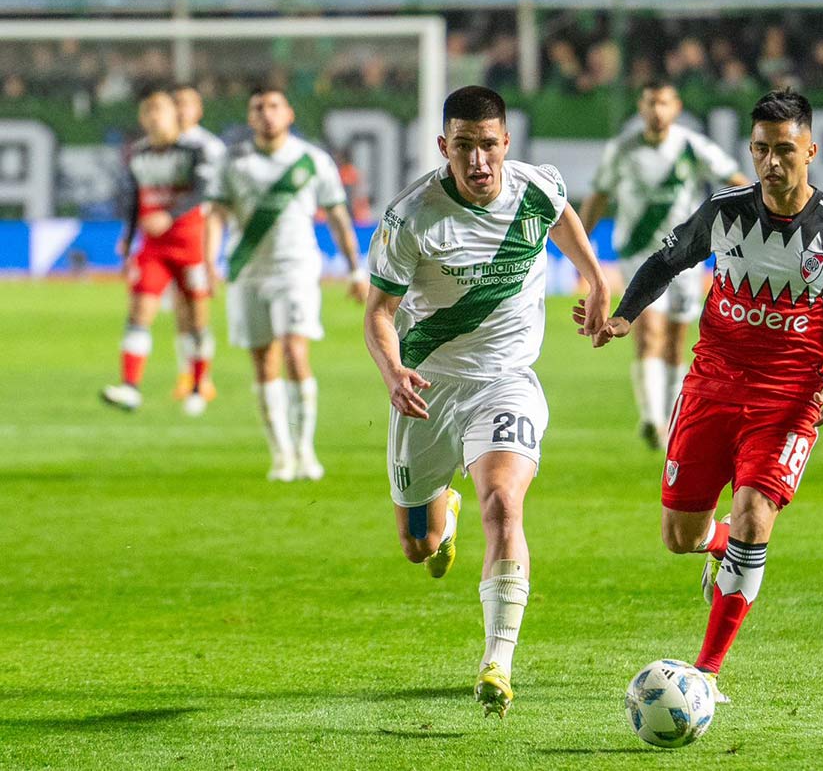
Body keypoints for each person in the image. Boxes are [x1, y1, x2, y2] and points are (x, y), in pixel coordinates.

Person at [576, 89, 823, 703]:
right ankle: (722, 549)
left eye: (784, 151)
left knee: (755, 517)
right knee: (681, 536)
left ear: (811, 150)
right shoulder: (722, 212)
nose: (771, 164)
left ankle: (707, 674)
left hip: (787, 401)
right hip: (710, 390)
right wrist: (622, 316)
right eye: (760, 151)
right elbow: (664, 261)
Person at [363, 86, 609, 718]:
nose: (478, 161)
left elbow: (563, 219)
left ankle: (497, 660)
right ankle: (438, 507)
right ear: (445, 147)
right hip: (428, 388)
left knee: (503, 503)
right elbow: (380, 313)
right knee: (418, 546)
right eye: (464, 147)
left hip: (506, 380)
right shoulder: (410, 217)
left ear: (506, 143)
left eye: (489, 145)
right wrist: (392, 370)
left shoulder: (535, 188)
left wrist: (595, 277)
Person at [207, 86, 368, 482]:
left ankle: (305, 449)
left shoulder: (312, 161)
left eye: (274, 106)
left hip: (295, 269)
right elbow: (216, 214)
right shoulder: (233, 161)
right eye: (258, 107)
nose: (266, 113)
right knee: (263, 362)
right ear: (249, 117)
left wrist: (354, 269)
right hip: (247, 273)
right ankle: (280, 454)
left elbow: (337, 216)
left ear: (289, 113)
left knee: (296, 352)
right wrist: (209, 261)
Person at [578, 81, 748, 449]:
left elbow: (736, 181)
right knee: (648, 332)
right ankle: (652, 419)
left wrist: (757, 214)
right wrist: (580, 250)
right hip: (639, 254)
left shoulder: (691, 145)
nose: (657, 110)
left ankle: (672, 420)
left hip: (683, 257)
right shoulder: (623, 149)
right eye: (651, 103)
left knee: (676, 341)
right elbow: (599, 196)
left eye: (664, 103)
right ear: (641, 108)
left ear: (676, 106)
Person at [101, 85, 219, 417]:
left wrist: (169, 215)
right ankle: (130, 387)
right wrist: (127, 238)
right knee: (139, 312)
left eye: (161, 111)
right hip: (153, 248)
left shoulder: (194, 151)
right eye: (148, 112)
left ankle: (198, 385)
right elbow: (136, 201)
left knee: (195, 319)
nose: (154, 118)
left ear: (174, 116)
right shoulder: (138, 154)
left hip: (189, 246)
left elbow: (202, 192)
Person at [169, 83, 225, 403]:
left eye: (186, 103)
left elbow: (216, 200)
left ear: (198, 109)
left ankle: (203, 379)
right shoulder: (163, 145)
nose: (180, 109)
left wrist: (212, 253)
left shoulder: (210, 147)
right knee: (179, 311)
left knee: (198, 309)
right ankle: (185, 374)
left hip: (197, 235)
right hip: (168, 239)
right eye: (175, 102)